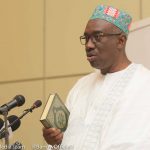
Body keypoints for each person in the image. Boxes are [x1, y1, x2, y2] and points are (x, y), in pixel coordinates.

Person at [43, 4, 150, 150]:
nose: (88, 45)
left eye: (97, 37)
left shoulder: (143, 84)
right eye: (86, 38)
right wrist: (56, 141)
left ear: (121, 41)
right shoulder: (81, 86)